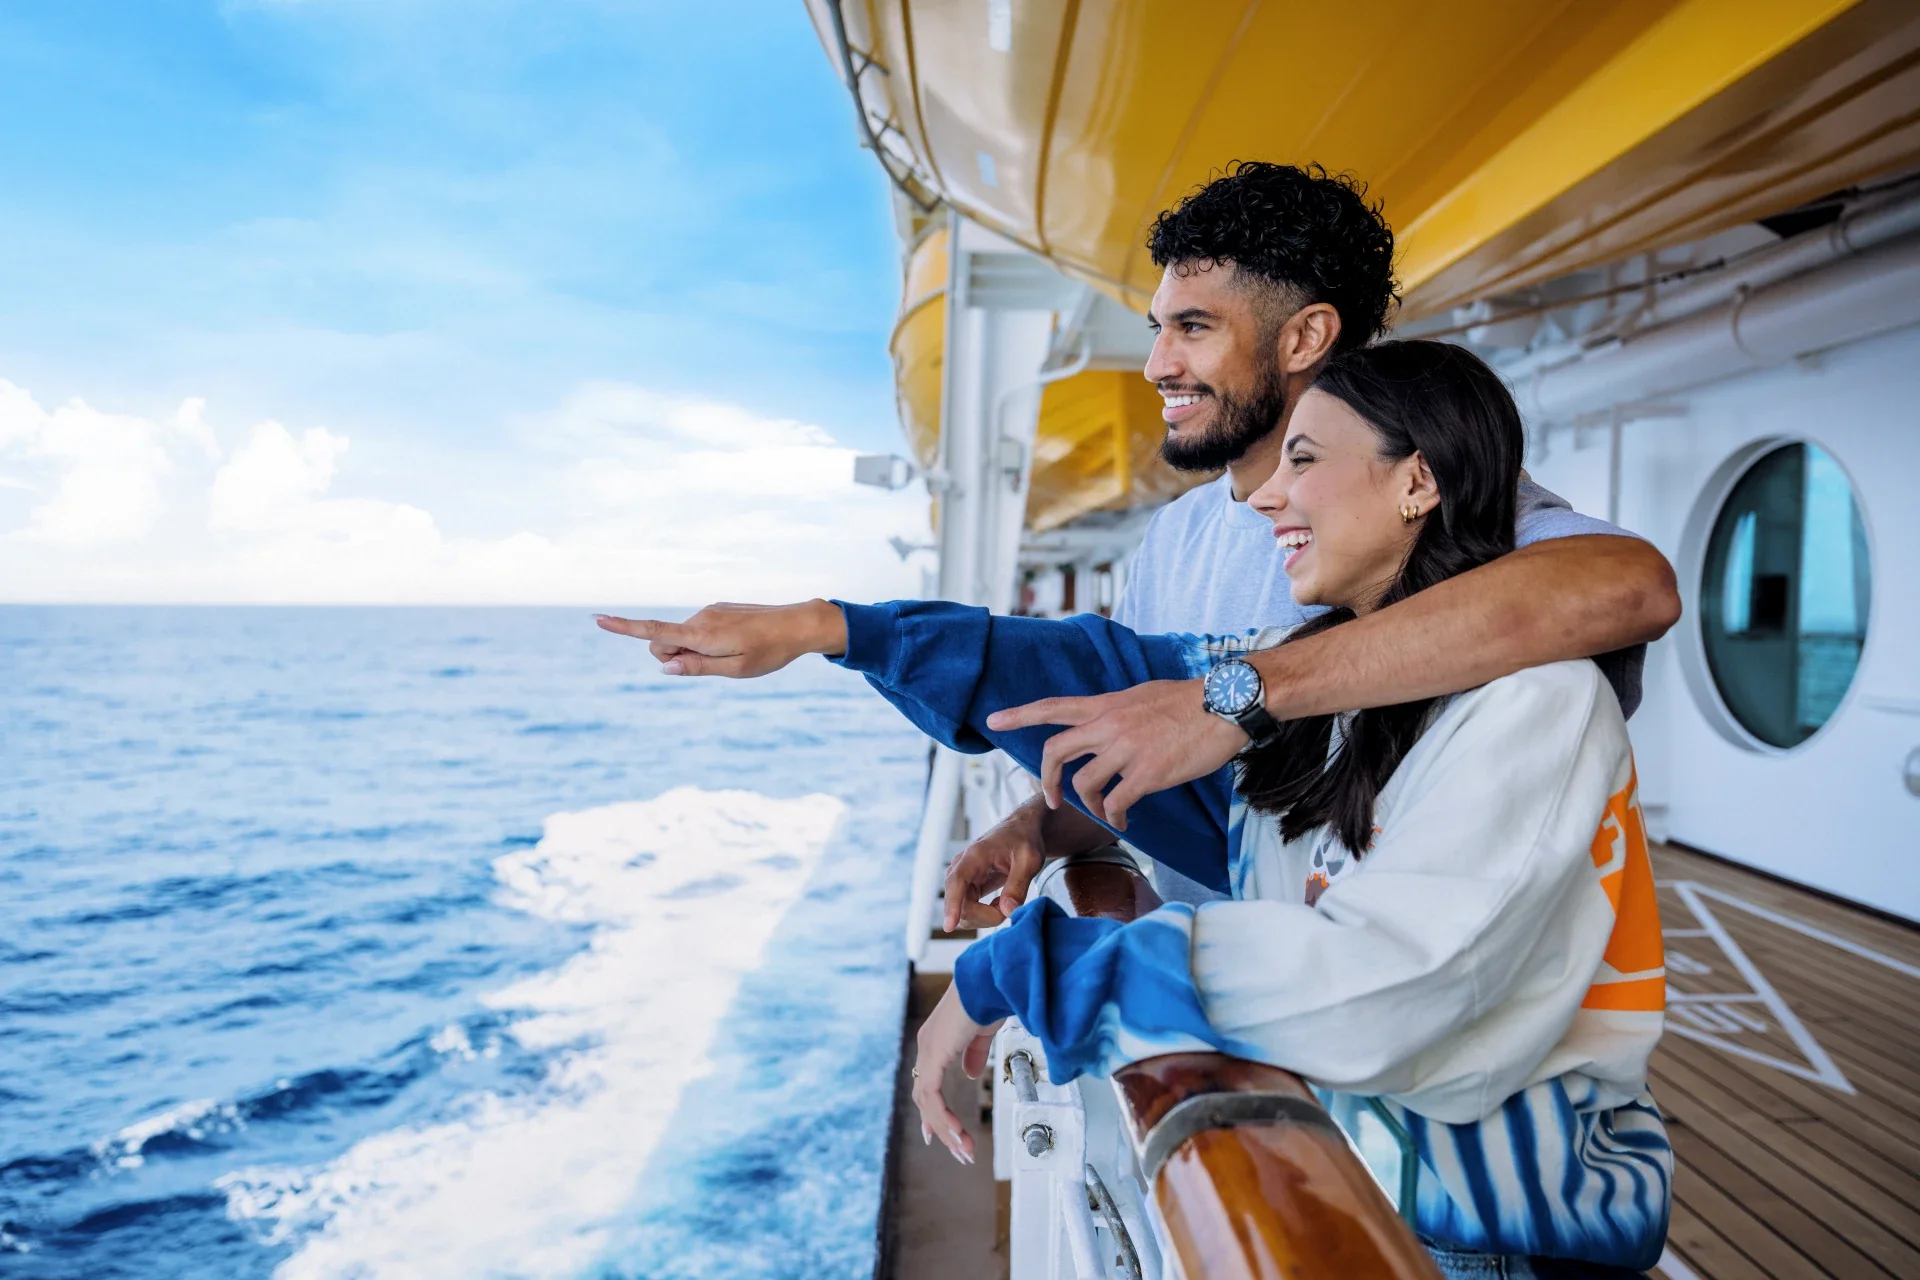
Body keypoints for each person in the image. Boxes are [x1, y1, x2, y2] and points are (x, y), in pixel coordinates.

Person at [595, 341, 1672, 1276]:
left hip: (1482, 1245)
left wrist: (1035, 965)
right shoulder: (1320, 682)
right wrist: (836, 630)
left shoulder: (1535, 702)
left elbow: (1386, 992)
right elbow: (1101, 672)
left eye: (1304, 460)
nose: (1266, 498)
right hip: (1343, 1178)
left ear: (1418, 481)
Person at [942, 161, 1678, 921]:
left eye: (1194, 327)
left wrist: (1236, 697)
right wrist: (1039, 824)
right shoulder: (1174, 535)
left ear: (1305, 337)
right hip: (1209, 973)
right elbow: (1160, 757)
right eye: (1159, 330)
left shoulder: (1418, 504)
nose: (1158, 366)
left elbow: (1632, 585)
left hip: (1374, 970)